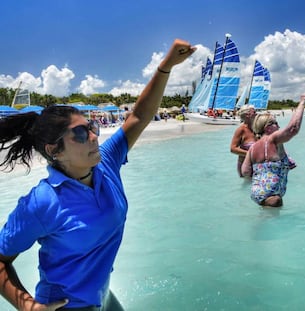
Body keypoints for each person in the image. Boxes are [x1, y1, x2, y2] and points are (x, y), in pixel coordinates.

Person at [0, 39, 196, 311]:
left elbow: (138, 116)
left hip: (102, 296)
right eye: (81, 134)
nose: (94, 136)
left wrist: (166, 67)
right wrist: (28, 307)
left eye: (91, 127)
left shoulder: (105, 165)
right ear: (54, 150)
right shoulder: (40, 203)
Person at [241, 94, 305, 208]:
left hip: (257, 193)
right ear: (267, 127)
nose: (278, 126)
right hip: (273, 196)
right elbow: (293, 128)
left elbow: (245, 172)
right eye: (275, 123)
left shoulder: (252, 148)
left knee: (267, 219)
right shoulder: (272, 139)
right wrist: (303, 102)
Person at [230, 104, 257, 177]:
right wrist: (250, 154)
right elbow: (233, 149)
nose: (256, 113)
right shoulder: (241, 130)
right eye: (254, 112)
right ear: (247, 115)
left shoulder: (257, 128)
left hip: (258, 165)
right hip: (245, 165)